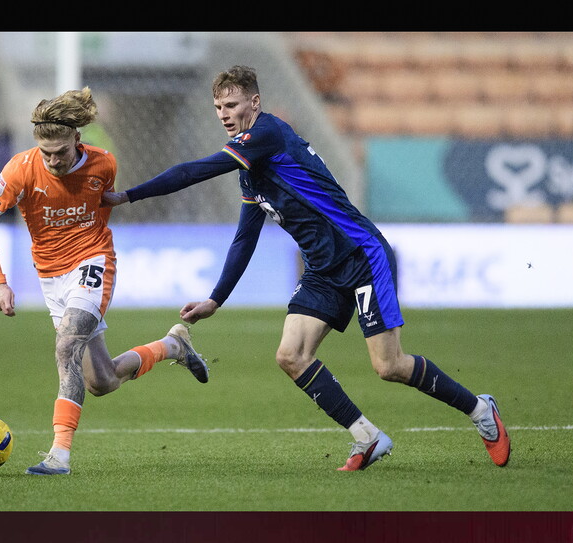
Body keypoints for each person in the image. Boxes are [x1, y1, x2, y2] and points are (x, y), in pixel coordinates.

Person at [102, 66, 510, 471]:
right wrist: (216, 298)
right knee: (291, 355)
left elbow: (195, 171)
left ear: (254, 102)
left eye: (232, 104)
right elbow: (246, 236)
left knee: (390, 366)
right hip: (321, 268)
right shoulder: (250, 169)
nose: (224, 113)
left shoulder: (265, 135)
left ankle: (479, 410)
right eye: (217, 107)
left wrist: (128, 196)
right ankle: (366, 436)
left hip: (360, 256)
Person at [0, 87, 210, 476]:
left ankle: (59, 456)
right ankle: (172, 345)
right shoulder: (19, 170)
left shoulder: (104, 165)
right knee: (101, 381)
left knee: (67, 342)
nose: (53, 161)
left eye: (61, 152)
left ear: (77, 140)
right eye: (46, 153)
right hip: (51, 277)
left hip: (92, 262)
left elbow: (98, 217)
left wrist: (90, 256)